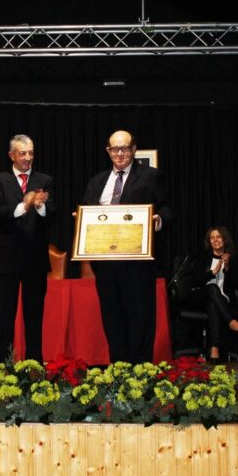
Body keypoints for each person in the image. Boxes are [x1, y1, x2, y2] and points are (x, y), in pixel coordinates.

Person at [81, 130, 173, 363]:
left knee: (140, 320)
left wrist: (157, 220)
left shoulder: (151, 176)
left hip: (138, 266)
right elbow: (87, 211)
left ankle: (139, 375)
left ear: (133, 149)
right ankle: (119, 371)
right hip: (106, 265)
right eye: (114, 149)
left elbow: (168, 209)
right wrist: (82, 220)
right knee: (113, 320)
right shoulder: (97, 181)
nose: (119, 153)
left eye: (124, 148)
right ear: (108, 151)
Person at [0, 134, 55, 365]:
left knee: (34, 319)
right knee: (3, 320)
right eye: (22, 153)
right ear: (11, 155)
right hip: (5, 262)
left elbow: (53, 216)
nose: (27, 158)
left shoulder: (44, 180)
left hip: (34, 261)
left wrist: (42, 206)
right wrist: (23, 206)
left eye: (31, 153)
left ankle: (35, 371)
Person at [186, 226, 238, 363]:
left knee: (213, 303)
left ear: (224, 239)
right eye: (212, 237)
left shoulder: (232, 258)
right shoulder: (203, 257)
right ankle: (231, 321)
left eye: (218, 237)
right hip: (200, 297)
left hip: (222, 299)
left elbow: (236, 283)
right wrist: (212, 273)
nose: (215, 240)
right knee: (212, 287)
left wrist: (227, 268)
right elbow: (194, 281)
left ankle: (214, 349)